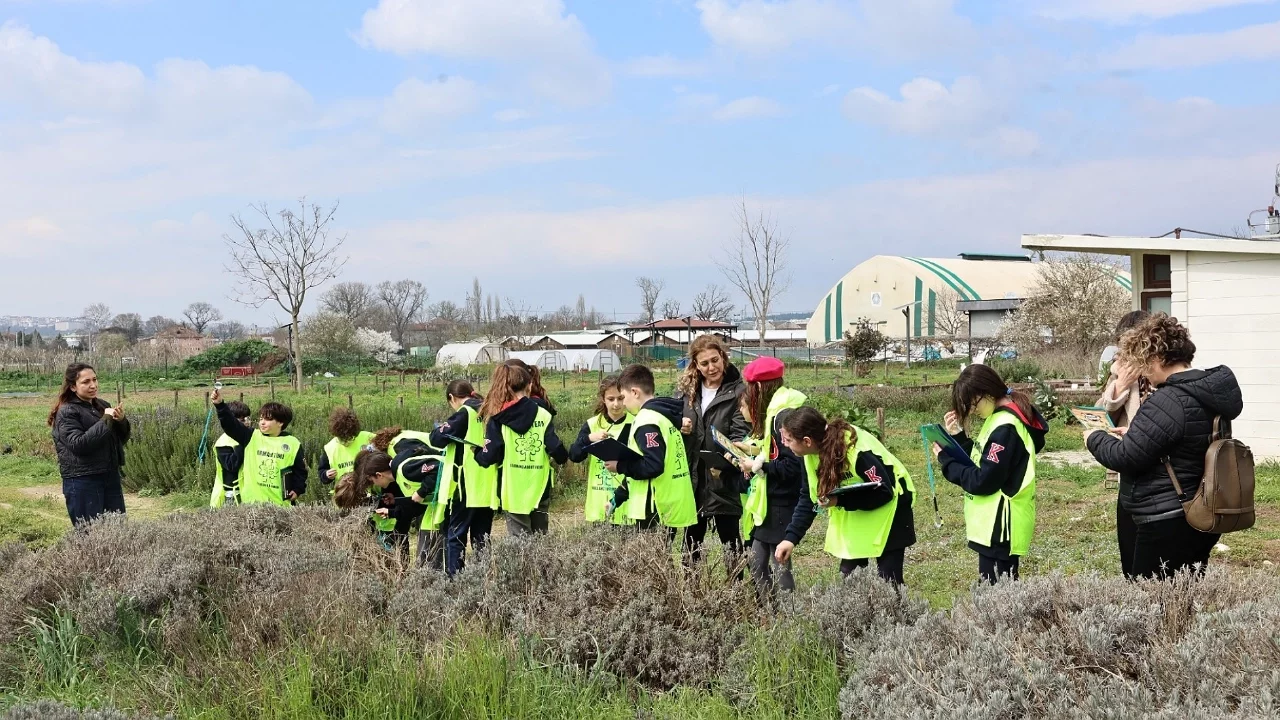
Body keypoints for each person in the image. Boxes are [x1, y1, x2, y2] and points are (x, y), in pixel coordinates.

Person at [1086, 313, 1242, 580]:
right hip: (1201, 507)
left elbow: (1125, 457)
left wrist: (1093, 437)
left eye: (1145, 362)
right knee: (1182, 595)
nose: (1144, 370)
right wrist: (1137, 433)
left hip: (1166, 517)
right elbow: (1179, 441)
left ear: (1158, 358)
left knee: (1150, 601)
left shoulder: (1168, 400)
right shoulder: (1205, 392)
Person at [774, 406, 915, 585]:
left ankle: (896, 613)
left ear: (807, 441)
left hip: (893, 508)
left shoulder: (856, 452)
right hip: (860, 512)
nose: (783, 444)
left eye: (787, 439)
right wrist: (790, 538)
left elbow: (884, 492)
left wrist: (840, 500)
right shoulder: (808, 456)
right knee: (850, 579)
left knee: (889, 580)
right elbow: (809, 498)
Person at [937, 364, 1047, 584]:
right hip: (992, 527)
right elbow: (983, 461)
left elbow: (983, 480)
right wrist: (959, 439)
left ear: (987, 392)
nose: (971, 409)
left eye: (972, 402)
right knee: (995, 596)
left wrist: (947, 461)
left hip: (1000, 528)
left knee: (997, 599)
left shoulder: (1005, 428)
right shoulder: (998, 418)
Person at [733, 357, 807, 603]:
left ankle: (787, 618)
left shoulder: (781, 418)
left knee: (778, 565)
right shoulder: (777, 412)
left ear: (761, 388)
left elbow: (793, 466)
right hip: (770, 499)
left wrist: (757, 466)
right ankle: (771, 614)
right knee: (756, 562)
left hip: (782, 502)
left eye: (751, 388)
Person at [676, 335, 750, 567]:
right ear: (696, 365)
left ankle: (734, 594)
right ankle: (692, 596)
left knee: (731, 543)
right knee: (690, 545)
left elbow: (741, 431)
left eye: (715, 360)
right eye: (704, 363)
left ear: (724, 357)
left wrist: (732, 453)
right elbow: (672, 423)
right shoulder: (687, 392)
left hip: (723, 476)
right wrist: (680, 426)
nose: (711, 367)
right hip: (693, 477)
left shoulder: (739, 391)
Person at [474, 363, 568, 536]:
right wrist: (562, 456)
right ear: (529, 385)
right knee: (540, 538)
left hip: (512, 488)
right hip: (540, 485)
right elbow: (556, 449)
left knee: (519, 544)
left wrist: (478, 454)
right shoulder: (544, 414)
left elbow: (489, 456)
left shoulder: (498, 417)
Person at [608, 364, 697, 537]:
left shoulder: (646, 421)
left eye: (623, 397)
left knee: (652, 561)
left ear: (635, 392)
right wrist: (618, 497)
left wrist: (620, 467)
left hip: (653, 506)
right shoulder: (666, 416)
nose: (623, 404)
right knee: (661, 561)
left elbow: (653, 465)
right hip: (669, 502)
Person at [1096, 310, 1151, 574]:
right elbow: (1101, 412)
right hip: (1129, 471)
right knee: (1128, 550)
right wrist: (1120, 385)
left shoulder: (1161, 373)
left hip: (1160, 477)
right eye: (1122, 346)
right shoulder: (1120, 371)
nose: (1126, 353)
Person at [428, 380, 498, 575]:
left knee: (456, 536)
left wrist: (440, 427)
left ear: (452, 398)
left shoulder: (465, 413)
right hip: (487, 485)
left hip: (466, 484)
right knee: (482, 537)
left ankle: (456, 581)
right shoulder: (488, 410)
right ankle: (484, 578)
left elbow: (436, 438)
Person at [49, 363, 130, 526]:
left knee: (118, 531)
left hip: (109, 476)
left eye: (94, 379)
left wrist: (121, 421)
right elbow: (79, 445)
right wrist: (106, 420)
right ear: (73, 387)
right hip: (83, 481)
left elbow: (120, 439)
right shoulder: (67, 412)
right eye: (86, 382)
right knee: (90, 535)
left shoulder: (102, 405)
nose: (93, 385)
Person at [335, 449, 435, 562]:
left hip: (400, 523)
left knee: (402, 556)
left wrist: (392, 509)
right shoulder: (367, 476)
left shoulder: (389, 477)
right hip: (385, 526)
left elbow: (413, 506)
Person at [212, 388, 307, 506]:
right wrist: (220, 405)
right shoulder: (251, 436)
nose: (262, 422)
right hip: (252, 506)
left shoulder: (293, 443)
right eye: (261, 418)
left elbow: (300, 471)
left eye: (268, 419)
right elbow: (230, 425)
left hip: (281, 506)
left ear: (280, 422)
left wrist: (297, 489)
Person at [568, 374, 634, 525]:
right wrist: (589, 439)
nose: (616, 404)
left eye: (620, 398)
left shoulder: (635, 422)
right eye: (611, 399)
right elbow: (574, 455)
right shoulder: (592, 424)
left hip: (627, 504)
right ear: (603, 399)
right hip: (597, 502)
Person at [319, 408, 376, 499]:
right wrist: (326, 475)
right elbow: (322, 473)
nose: (346, 442)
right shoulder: (330, 448)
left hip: (371, 495)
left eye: (350, 438)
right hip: (345, 498)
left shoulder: (369, 438)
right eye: (342, 438)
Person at [210, 401, 251, 508]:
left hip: (249, 490)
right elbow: (231, 466)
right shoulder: (223, 443)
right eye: (242, 420)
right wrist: (243, 444)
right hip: (232, 493)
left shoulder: (251, 436)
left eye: (248, 418)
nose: (247, 422)